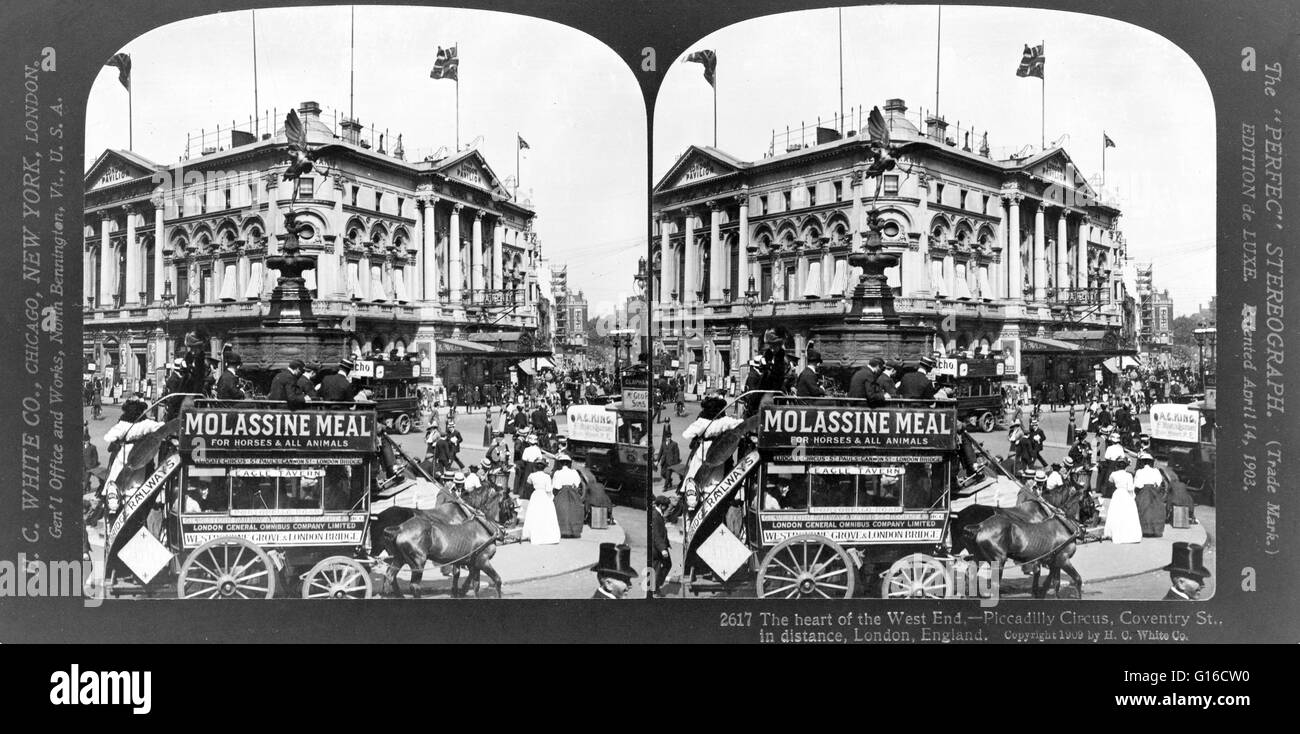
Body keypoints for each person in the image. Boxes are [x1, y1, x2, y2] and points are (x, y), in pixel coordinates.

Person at [1102, 457, 1142, 544]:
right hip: (1126, 494)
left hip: (1117, 494)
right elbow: (1131, 488)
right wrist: (1132, 497)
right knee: (1127, 514)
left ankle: (1114, 533)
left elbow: (1110, 482)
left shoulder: (1113, 474)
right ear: (1126, 466)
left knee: (1116, 513)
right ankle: (1128, 535)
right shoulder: (1129, 475)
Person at [521, 459, 560, 545]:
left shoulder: (532, 475)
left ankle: (532, 534)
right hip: (544, 496)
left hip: (536, 495)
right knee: (545, 515)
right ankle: (546, 535)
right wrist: (551, 498)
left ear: (535, 467)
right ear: (544, 467)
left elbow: (527, 485)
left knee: (534, 514)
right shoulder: (547, 476)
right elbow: (549, 489)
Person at [1133, 451, 1168, 537]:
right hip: (1153, 491)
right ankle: (1154, 530)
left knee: (1142, 509)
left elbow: (1137, 484)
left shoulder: (1139, 472)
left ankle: (1144, 530)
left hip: (1143, 490)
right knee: (1156, 509)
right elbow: (1159, 483)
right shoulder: (1155, 471)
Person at [551, 452, 586, 539]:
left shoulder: (557, 473)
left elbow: (556, 486)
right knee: (574, 510)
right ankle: (573, 530)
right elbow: (577, 484)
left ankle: (562, 530)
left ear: (561, 463)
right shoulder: (574, 472)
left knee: (561, 510)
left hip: (562, 492)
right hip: (573, 492)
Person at [650, 494, 673, 596]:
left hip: (661, 546)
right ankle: (654, 589)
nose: (667, 508)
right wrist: (663, 549)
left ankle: (655, 586)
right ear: (661, 506)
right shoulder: (655, 516)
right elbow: (656, 535)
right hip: (657, 548)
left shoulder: (658, 514)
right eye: (666, 506)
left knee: (666, 565)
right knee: (657, 569)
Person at [658, 426, 682, 492]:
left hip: (671, 463)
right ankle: (670, 480)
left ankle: (665, 487)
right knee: (662, 474)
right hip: (664, 462)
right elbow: (660, 452)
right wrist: (657, 461)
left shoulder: (674, 444)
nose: (668, 438)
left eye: (669, 437)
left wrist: (676, 463)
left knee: (668, 475)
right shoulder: (663, 444)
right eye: (667, 437)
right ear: (665, 437)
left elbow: (677, 454)